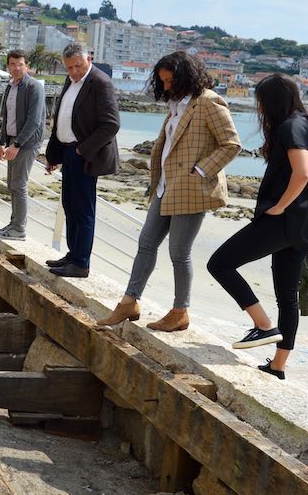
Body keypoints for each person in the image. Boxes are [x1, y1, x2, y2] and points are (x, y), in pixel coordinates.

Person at [97, 52, 240, 331]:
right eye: (162, 82)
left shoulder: (208, 102)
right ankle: (129, 302)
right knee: (146, 243)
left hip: (191, 189)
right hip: (165, 186)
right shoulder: (176, 105)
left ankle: (180, 311)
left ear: (186, 77)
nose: (166, 87)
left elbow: (232, 144)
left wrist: (200, 171)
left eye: (170, 81)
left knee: (179, 253)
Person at [207, 74, 308, 379]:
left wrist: (280, 206)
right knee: (288, 298)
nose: (258, 108)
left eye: (260, 102)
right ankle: (278, 366)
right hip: (302, 226)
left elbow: (303, 172)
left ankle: (262, 325)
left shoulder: (290, 127)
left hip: (282, 221)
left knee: (219, 264)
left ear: (271, 101)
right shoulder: (305, 124)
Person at [43, 42, 120, 277]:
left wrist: (82, 151)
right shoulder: (71, 80)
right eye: (69, 68)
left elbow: (111, 124)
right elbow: (63, 119)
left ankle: (81, 263)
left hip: (84, 155)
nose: (74, 71)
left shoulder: (100, 82)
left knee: (83, 209)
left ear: (89, 59)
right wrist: (54, 155)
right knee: (70, 206)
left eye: (78, 66)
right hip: (68, 152)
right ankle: (73, 254)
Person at [0, 50, 46, 240]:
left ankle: (19, 229)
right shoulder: (10, 86)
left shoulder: (34, 87)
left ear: (27, 66)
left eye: (20, 64)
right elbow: (7, 117)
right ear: (8, 66)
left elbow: (34, 121)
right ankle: (13, 224)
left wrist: (16, 144)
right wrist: (2, 143)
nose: (16, 68)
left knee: (19, 184)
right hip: (13, 140)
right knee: (11, 184)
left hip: (28, 142)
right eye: (12, 64)